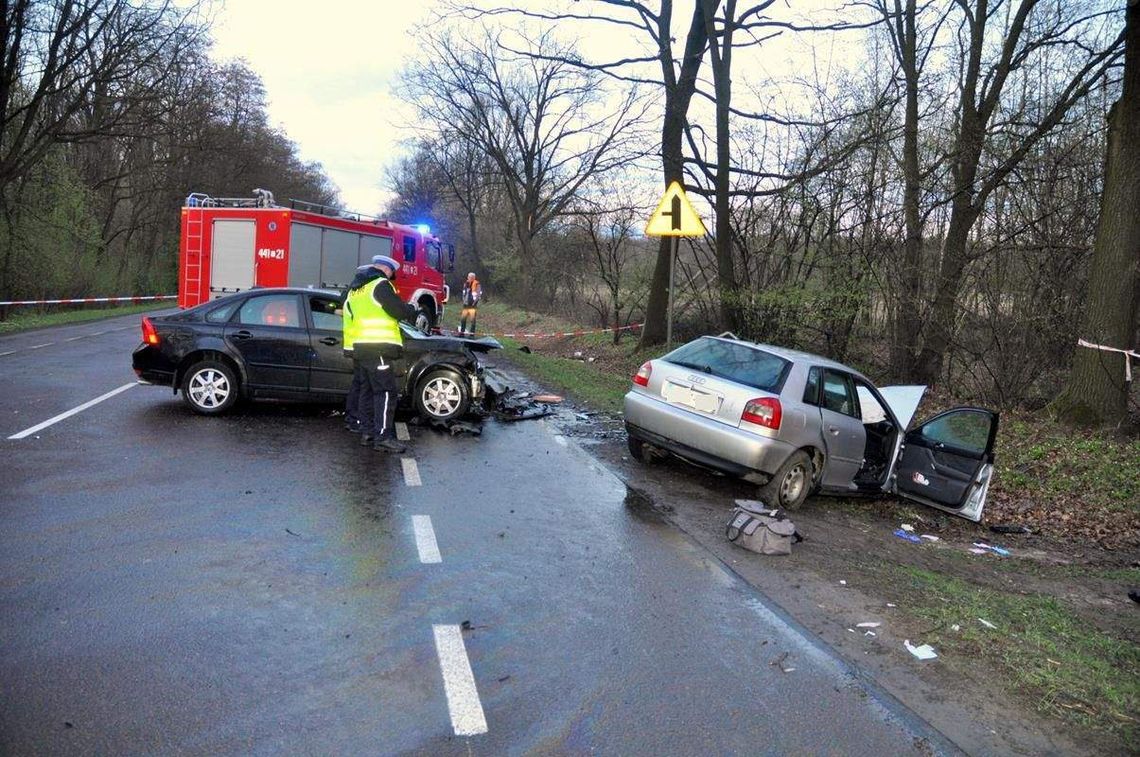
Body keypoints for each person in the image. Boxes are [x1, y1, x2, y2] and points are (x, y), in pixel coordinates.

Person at [343, 255, 417, 452]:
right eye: (392, 273)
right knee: (385, 393)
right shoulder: (380, 285)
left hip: (361, 347)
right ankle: (382, 437)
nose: (392, 276)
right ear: (386, 270)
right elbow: (397, 311)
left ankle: (367, 433)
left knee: (366, 391)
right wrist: (411, 309)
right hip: (379, 347)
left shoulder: (358, 289)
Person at [340, 264, 382, 434]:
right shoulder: (361, 293)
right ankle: (355, 418)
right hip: (360, 344)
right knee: (362, 384)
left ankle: (353, 418)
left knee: (358, 383)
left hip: (353, 343)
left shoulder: (351, 292)